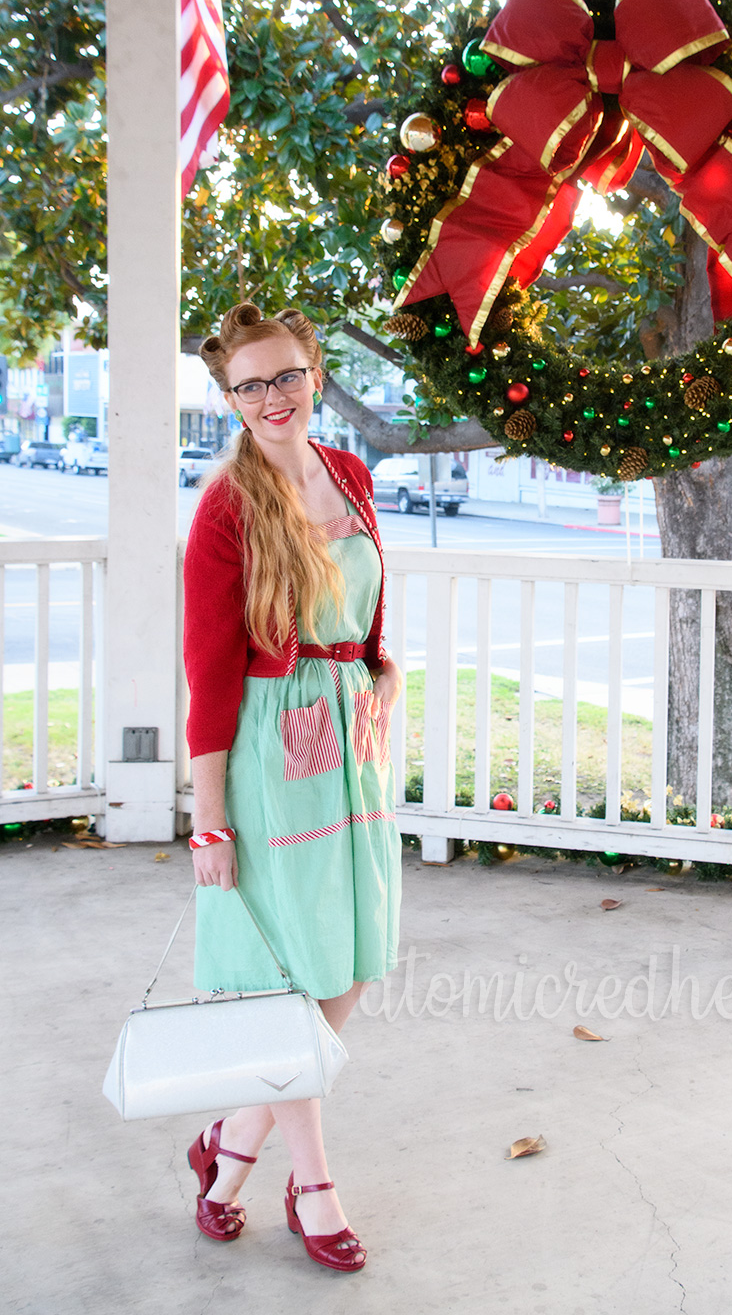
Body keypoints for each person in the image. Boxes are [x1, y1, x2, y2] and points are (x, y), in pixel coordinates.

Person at [182, 302, 402, 1273]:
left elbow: (368, 606)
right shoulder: (226, 506)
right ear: (229, 399)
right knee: (291, 974)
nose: (273, 397)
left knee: (351, 957)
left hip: (349, 735)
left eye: (287, 376)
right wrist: (209, 820)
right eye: (250, 384)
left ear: (315, 373)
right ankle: (307, 1182)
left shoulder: (349, 473)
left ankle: (230, 1139)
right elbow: (210, 673)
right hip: (275, 746)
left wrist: (384, 668)